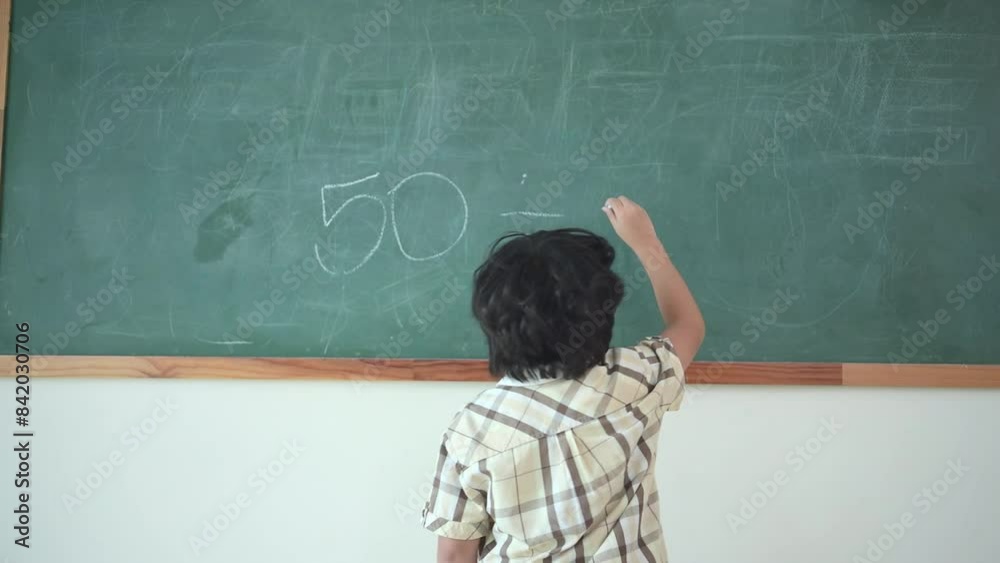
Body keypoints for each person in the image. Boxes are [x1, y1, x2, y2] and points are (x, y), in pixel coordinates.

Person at [422, 196, 705, 562]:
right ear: (601, 315)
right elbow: (688, 325)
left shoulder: (473, 429)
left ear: (493, 323)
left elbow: (455, 555)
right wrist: (645, 242)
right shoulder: (636, 380)